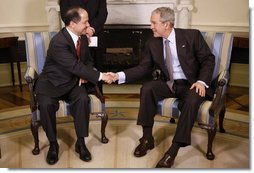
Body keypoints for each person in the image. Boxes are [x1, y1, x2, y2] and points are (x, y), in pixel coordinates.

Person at [109, 7, 215, 168]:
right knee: (147, 88)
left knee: (192, 101)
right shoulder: (152, 42)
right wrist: (118, 76)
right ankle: (147, 139)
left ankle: (173, 150)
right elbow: (143, 68)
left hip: (192, 83)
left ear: (166, 24)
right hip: (170, 83)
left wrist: (201, 81)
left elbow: (208, 59)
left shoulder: (191, 36)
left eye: (153, 23)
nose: (150, 26)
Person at [34, 7, 112, 165]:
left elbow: (87, 60)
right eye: (85, 22)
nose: (88, 25)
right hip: (52, 83)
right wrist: (101, 76)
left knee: (83, 99)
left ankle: (81, 142)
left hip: (72, 82)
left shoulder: (82, 37)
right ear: (72, 24)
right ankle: (53, 144)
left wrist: (86, 74)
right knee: (46, 104)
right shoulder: (58, 42)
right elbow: (75, 66)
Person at [60, 0, 108, 93]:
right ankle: (79, 97)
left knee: (97, 68)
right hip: (75, 37)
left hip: (96, 35)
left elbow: (103, 14)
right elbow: (65, 15)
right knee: (77, 67)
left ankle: (97, 98)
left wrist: (91, 29)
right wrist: (83, 29)